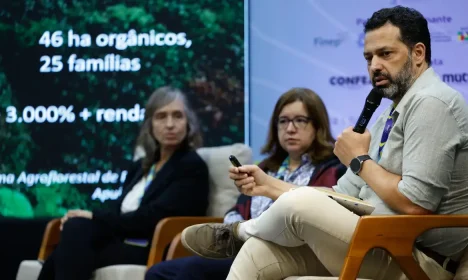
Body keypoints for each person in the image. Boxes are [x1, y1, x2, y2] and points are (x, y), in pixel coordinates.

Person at [181, 6, 468, 280]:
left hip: (417, 257)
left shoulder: (433, 102)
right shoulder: (391, 113)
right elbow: (339, 197)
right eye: (369, 58)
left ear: (418, 53)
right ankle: (244, 236)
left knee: (298, 204)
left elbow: (417, 204)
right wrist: (269, 185)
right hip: (379, 242)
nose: (375, 66)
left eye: (385, 54)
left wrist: (359, 160)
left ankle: (239, 232)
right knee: (260, 252)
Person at [145, 88, 346, 280]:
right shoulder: (266, 168)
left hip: (287, 253)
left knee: (191, 271)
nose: (290, 129)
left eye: (300, 121)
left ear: (318, 126)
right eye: (283, 121)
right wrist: (237, 230)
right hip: (243, 247)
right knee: (158, 272)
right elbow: (237, 211)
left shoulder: (332, 170)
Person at [36, 86, 210, 280]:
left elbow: (153, 218)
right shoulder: (141, 166)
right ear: (150, 124)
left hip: (153, 246)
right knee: (74, 231)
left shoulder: (191, 166)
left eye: (178, 116)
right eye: (161, 117)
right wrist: (88, 217)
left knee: (67, 250)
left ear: (188, 123)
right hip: (123, 240)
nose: (170, 124)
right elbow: (117, 210)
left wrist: (94, 216)